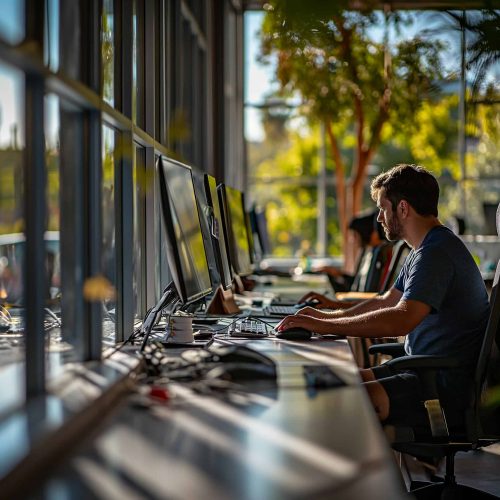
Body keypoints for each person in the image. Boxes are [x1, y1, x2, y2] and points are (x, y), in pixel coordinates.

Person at [277, 164, 490, 430]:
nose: (378, 217)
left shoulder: (435, 254)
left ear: (402, 208)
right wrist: (325, 315)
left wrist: (324, 326)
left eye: (382, 208)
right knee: (323, 383)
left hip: (440, 387)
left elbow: (401, 319)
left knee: (330, 397)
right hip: (421, 371)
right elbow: (386, 300)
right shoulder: (426, 248)